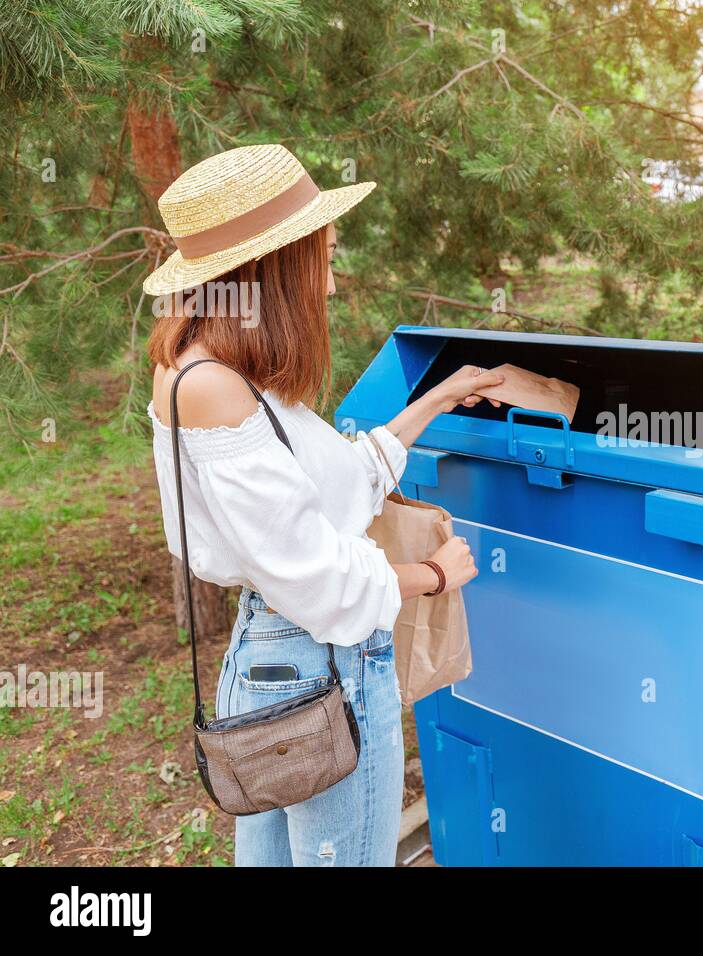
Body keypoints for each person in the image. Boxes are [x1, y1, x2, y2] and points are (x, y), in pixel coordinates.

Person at [142, 144, 504, 866]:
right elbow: (314, 578)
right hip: (318, 660)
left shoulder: (231, 372)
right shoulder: (214, 387)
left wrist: (435, 397)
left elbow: (343, 482)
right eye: (326, 260)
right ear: (273, 268)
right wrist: (433, 575)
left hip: (283, 660)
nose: (332, 286)